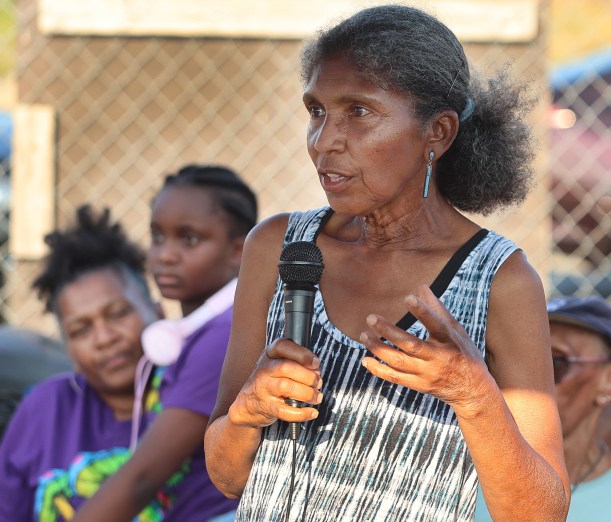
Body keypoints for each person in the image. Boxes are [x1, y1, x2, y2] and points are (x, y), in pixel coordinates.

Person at [204, 5, 570, 521]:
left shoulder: (499, 281)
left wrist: (473, 395)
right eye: (316, 111)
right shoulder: (280, 249)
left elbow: (541, 514)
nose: (324, 141)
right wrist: (247, 413)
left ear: (437, 134)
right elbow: (226, 478)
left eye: (358, 112)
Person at [74, 164, 258, 521]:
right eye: (157, 237)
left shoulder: (222, 336)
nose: (165, 255)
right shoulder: (207, 329)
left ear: (239, 250)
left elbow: (142, 478)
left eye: (189, 239)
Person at [0, 205, 160, 521]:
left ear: (158, 311)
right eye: (81, 330)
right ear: (66, 346)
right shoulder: (44, 409)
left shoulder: (187, 396)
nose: (104, 338)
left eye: (118, 313)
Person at [476, 295, 611, 520]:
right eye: (521, 361)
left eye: (555, 362)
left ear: (607, 380)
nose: (529, 378)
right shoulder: (462, 466)